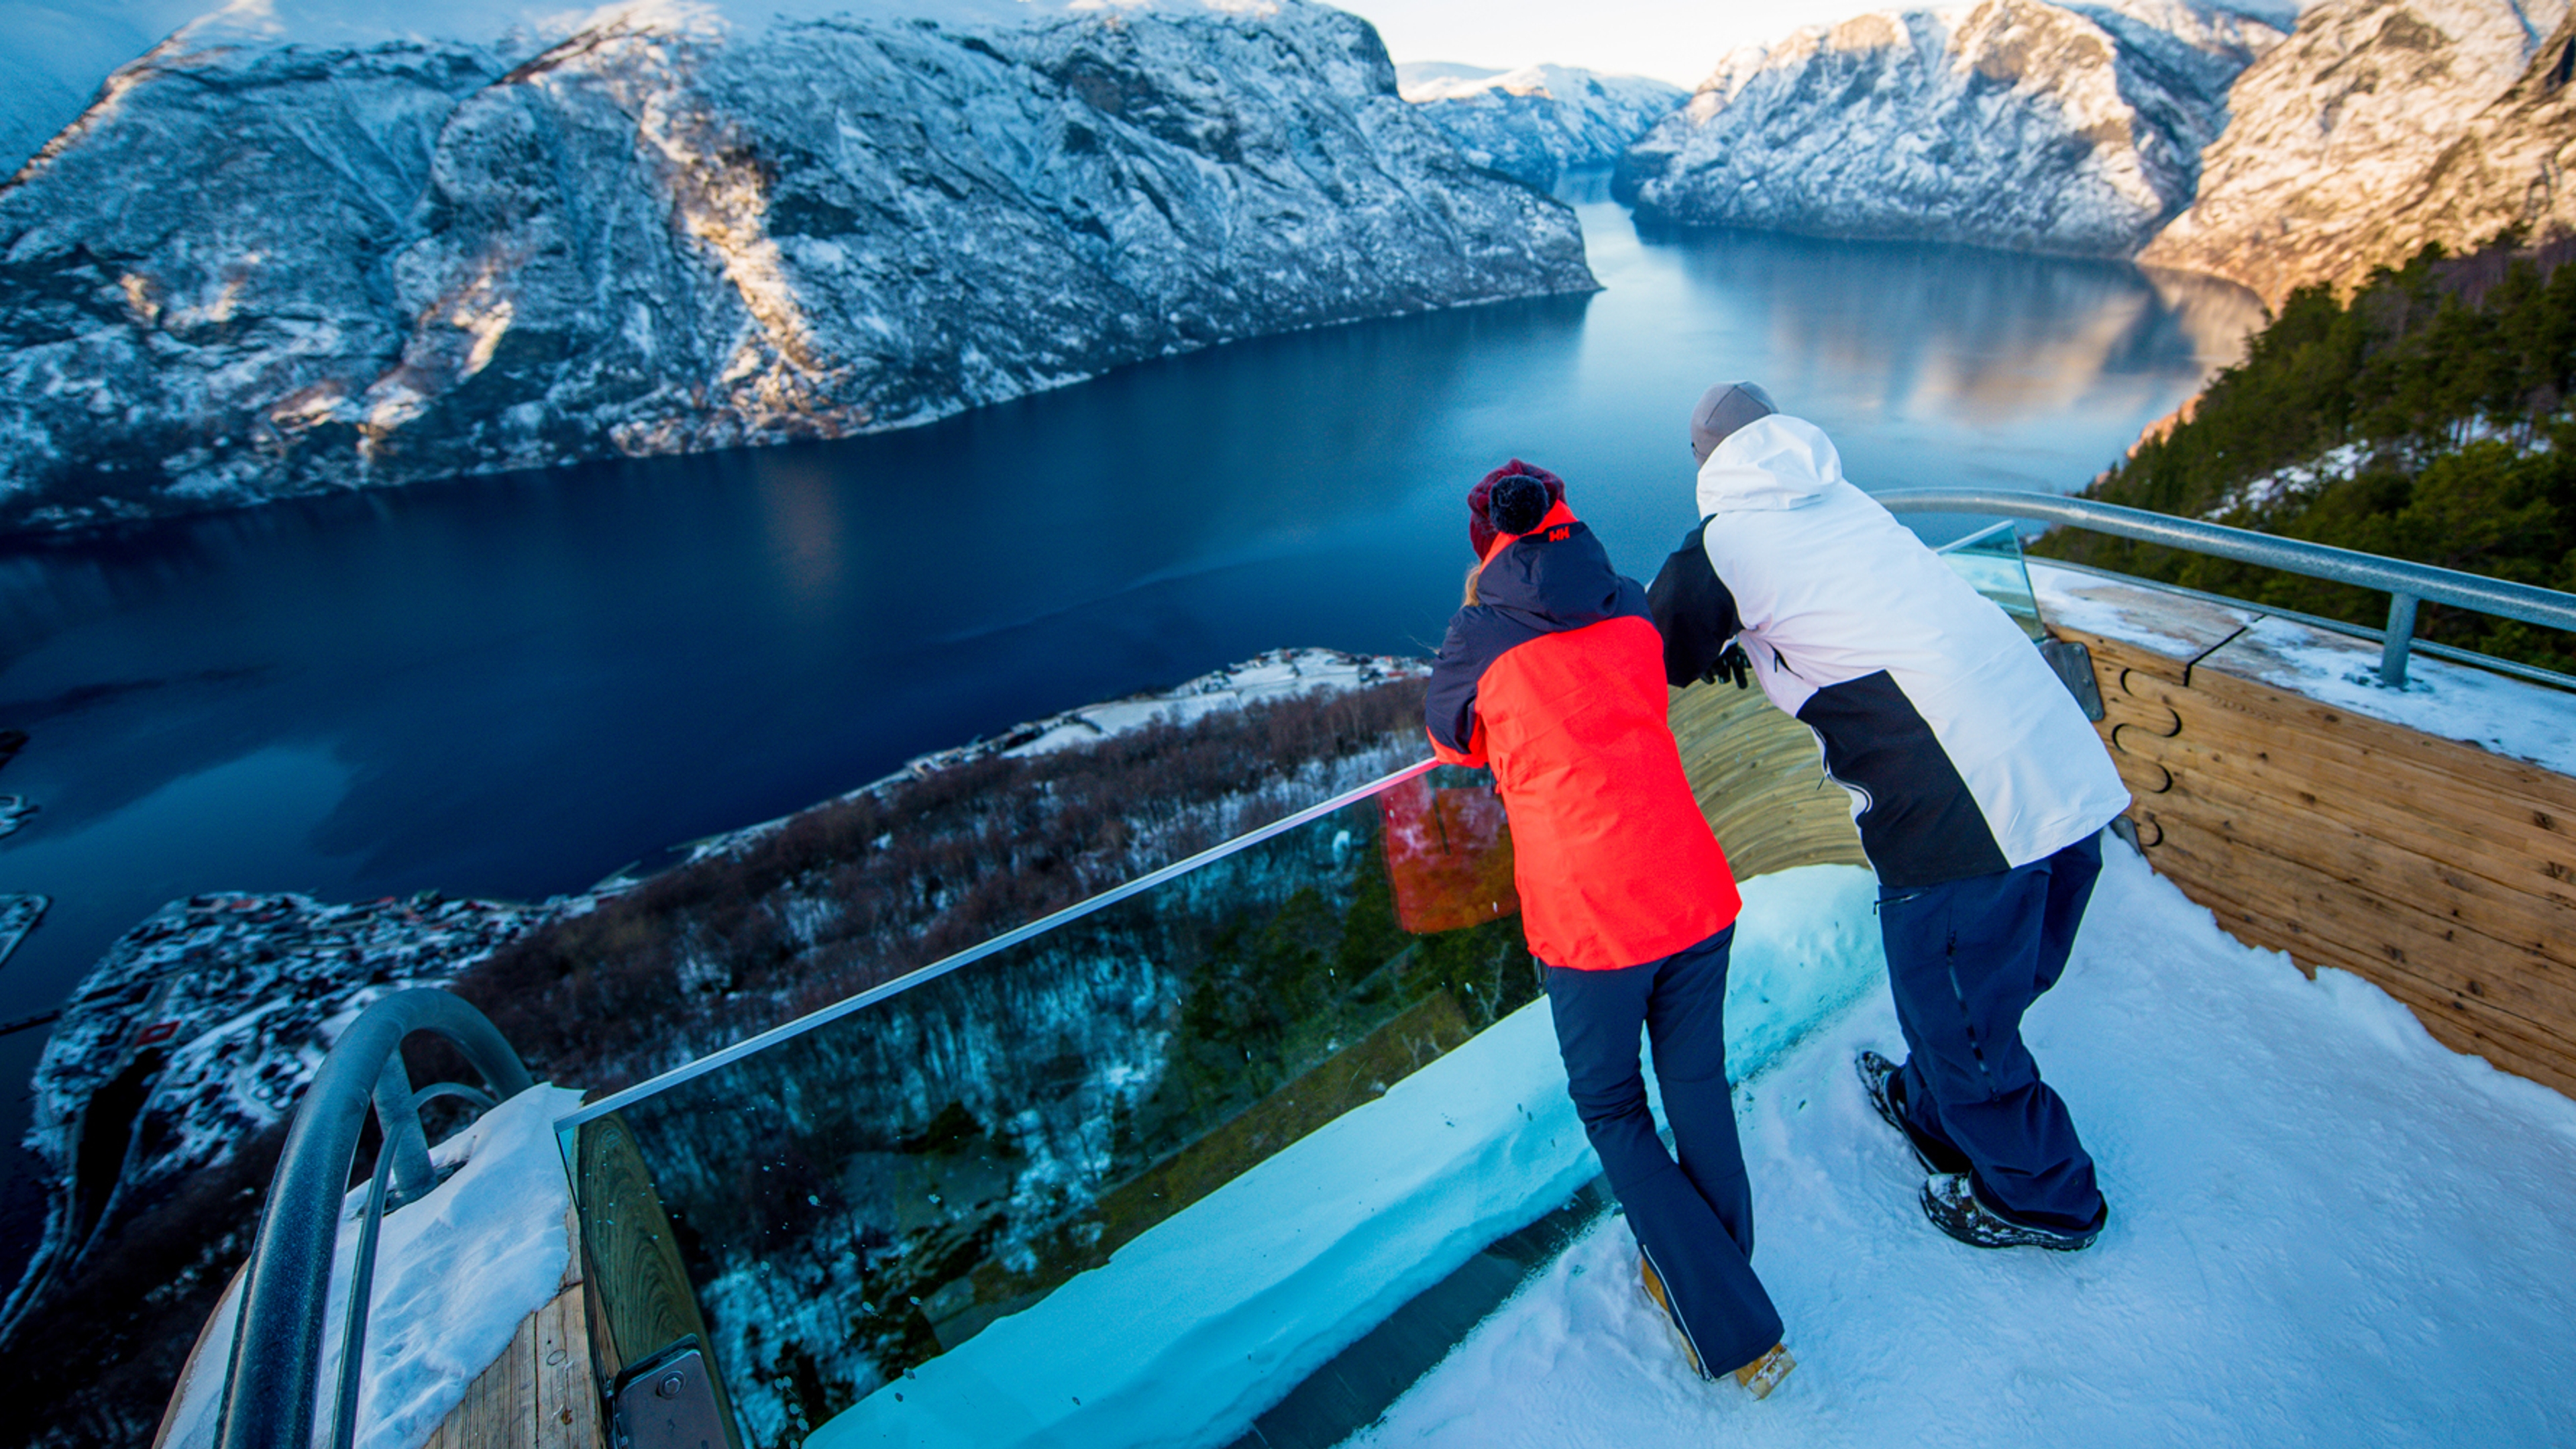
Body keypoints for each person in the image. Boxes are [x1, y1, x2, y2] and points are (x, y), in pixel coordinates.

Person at [1648, 382, 2131, 1252]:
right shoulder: (1843, 497)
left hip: (1964, 814)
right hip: (2063, 771)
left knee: (1960, 1020)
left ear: (1704, 457)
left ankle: (2046, 1201)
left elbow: (1644, 651)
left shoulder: (1722, 545)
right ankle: (1930, 1112)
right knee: (1981, 994)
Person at [1426, 460, 1795, 1397]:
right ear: (1565, 518)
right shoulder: (1629, 602)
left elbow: (1452, 742)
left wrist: (1483, 618)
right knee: (1697, 1085)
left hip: (1592, 917)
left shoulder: (1479, 630)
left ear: (1487, 544)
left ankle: (1729, 1317)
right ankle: (1714, 1265)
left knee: (1613, 1110)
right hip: (1691, 884)